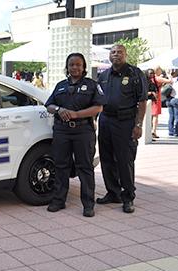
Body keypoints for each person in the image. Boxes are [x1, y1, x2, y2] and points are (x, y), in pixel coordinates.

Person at [45, 53, 106, 217]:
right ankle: (58, 200)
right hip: (62, 131)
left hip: (83, 131)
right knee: (61, 166)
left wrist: (77, 114)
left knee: (85, 167)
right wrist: (59, 109)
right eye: (72, 65)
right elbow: (49, 105)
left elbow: (98, 107)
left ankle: (88, 204)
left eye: (78, 65)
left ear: (84, 67)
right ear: (67, 67)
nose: (75, 67)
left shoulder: (92, 85)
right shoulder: (60, 86)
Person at [96, 44, 148, 213]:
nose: (116, 55)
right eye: (113, 52)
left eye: (119, 52)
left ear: (125, 55)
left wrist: (138, 124)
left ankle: (128, 197)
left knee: (125, 160)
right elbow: (96, 100)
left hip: (125, 122)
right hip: (105, 120)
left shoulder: (135, 73)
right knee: (107, 158)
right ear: (109, 56)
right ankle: (113, 192)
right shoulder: (103, 75)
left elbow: (142, 101)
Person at [150, 66, 172, 138]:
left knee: (150, 115)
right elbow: (170, 81)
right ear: (157, 71)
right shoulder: (158, 78)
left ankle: (149, 131)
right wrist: (168, 74)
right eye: (160, 70)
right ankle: (153, 131)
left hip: (150, 98)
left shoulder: (150, 78)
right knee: (155, 115)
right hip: (156, 98)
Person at [167, 70, 178, 136]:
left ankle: (170, 131)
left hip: (169, 99)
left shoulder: (172, 80)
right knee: (177, 116)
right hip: (176, 99)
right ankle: (176, 131)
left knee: (171, 116)